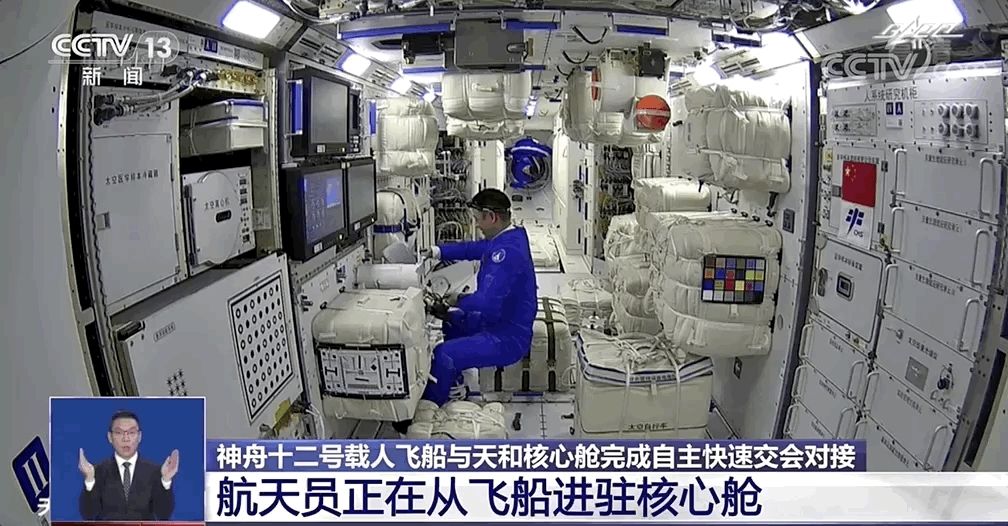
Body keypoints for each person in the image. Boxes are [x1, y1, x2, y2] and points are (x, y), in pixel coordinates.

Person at [392, 189, 537, 434]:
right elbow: (474, 249)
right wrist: (437, 251)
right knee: (450, 321)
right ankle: (453, 385)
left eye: (478, 218)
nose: (476, 224)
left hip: (507, 337)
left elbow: (485, 302)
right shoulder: (509, 238)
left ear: (491, 217)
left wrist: (455, 300)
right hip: (498, 321)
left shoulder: (506, 254)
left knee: (444, 354)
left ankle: (422, 418)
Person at [78, 410, 179, 521]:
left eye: (131, 433)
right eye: (119, 433)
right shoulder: (97, 471)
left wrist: (166, 481)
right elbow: (88, 515)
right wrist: (89, 480)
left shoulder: (154, 471)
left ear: (139, 436)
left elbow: (163, 515)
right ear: (110, 437)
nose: (126, 439)